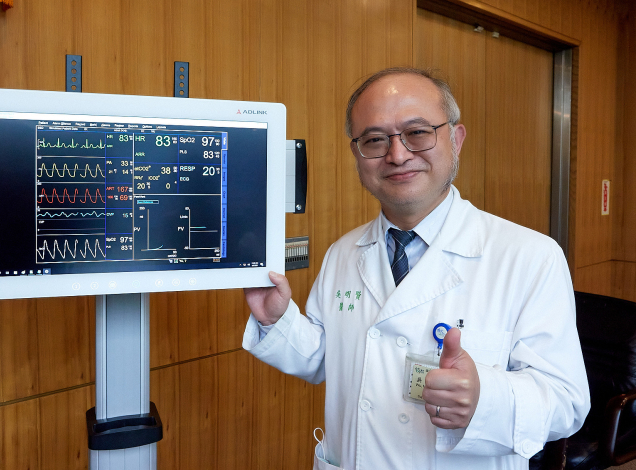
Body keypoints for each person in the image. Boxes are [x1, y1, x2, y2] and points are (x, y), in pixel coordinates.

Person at [242, 67, 590, 469]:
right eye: (375, 139)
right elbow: (324, 358)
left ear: (456, 140)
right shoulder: (343, 252)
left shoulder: (530, 256)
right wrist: (277, 319)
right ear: (357, 154)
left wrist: (485, 397)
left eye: (418, 132)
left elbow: (566, 403)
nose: (397, 154)